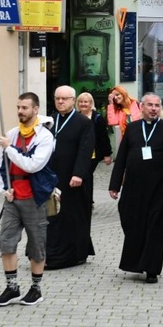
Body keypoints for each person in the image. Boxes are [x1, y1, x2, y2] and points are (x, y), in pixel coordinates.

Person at [0, 92, 55, 306]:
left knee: (37, 245)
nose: (20, 111)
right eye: (18, 107)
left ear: (35, 109)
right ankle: (12, 287)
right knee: (6, 242)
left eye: (25, 108)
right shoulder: (12, 133)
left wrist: (9, 148)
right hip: (13, 198)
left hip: (34, 198)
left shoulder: (44, 137)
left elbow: (32, 164)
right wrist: (4, 189)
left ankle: (36, 289)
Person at [108, 93, 163, 283]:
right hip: (133, 188)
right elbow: (121, 158)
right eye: (150, 105)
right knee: (132, 223)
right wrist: (114, 185)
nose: (154, 108)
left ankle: (152, 269)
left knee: (155, 228)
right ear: (141, 107)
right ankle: (136, 262)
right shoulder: (131, 128)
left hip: (159, 189)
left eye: (157, 105)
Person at [46, 86, 96, 269]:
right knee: (53, 214)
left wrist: (78, 173)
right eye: (57, 98)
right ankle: (51, 251)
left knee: (73, 215)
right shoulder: (49, 120)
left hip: (74, 177)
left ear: (73, 100)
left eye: (64, 99)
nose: (60, 102)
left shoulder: (83, 122)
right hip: (53, 175)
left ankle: (76, 253)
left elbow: (85, 149)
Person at [77, 92, 112, 173]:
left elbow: (103, 137)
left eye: (85, 102)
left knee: (87, 173)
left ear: (91, 103)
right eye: (81, 102)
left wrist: (107, 154)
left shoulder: (97, 118)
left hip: (93, 153)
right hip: (79, 152)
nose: (83, 104)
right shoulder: (75, 117)